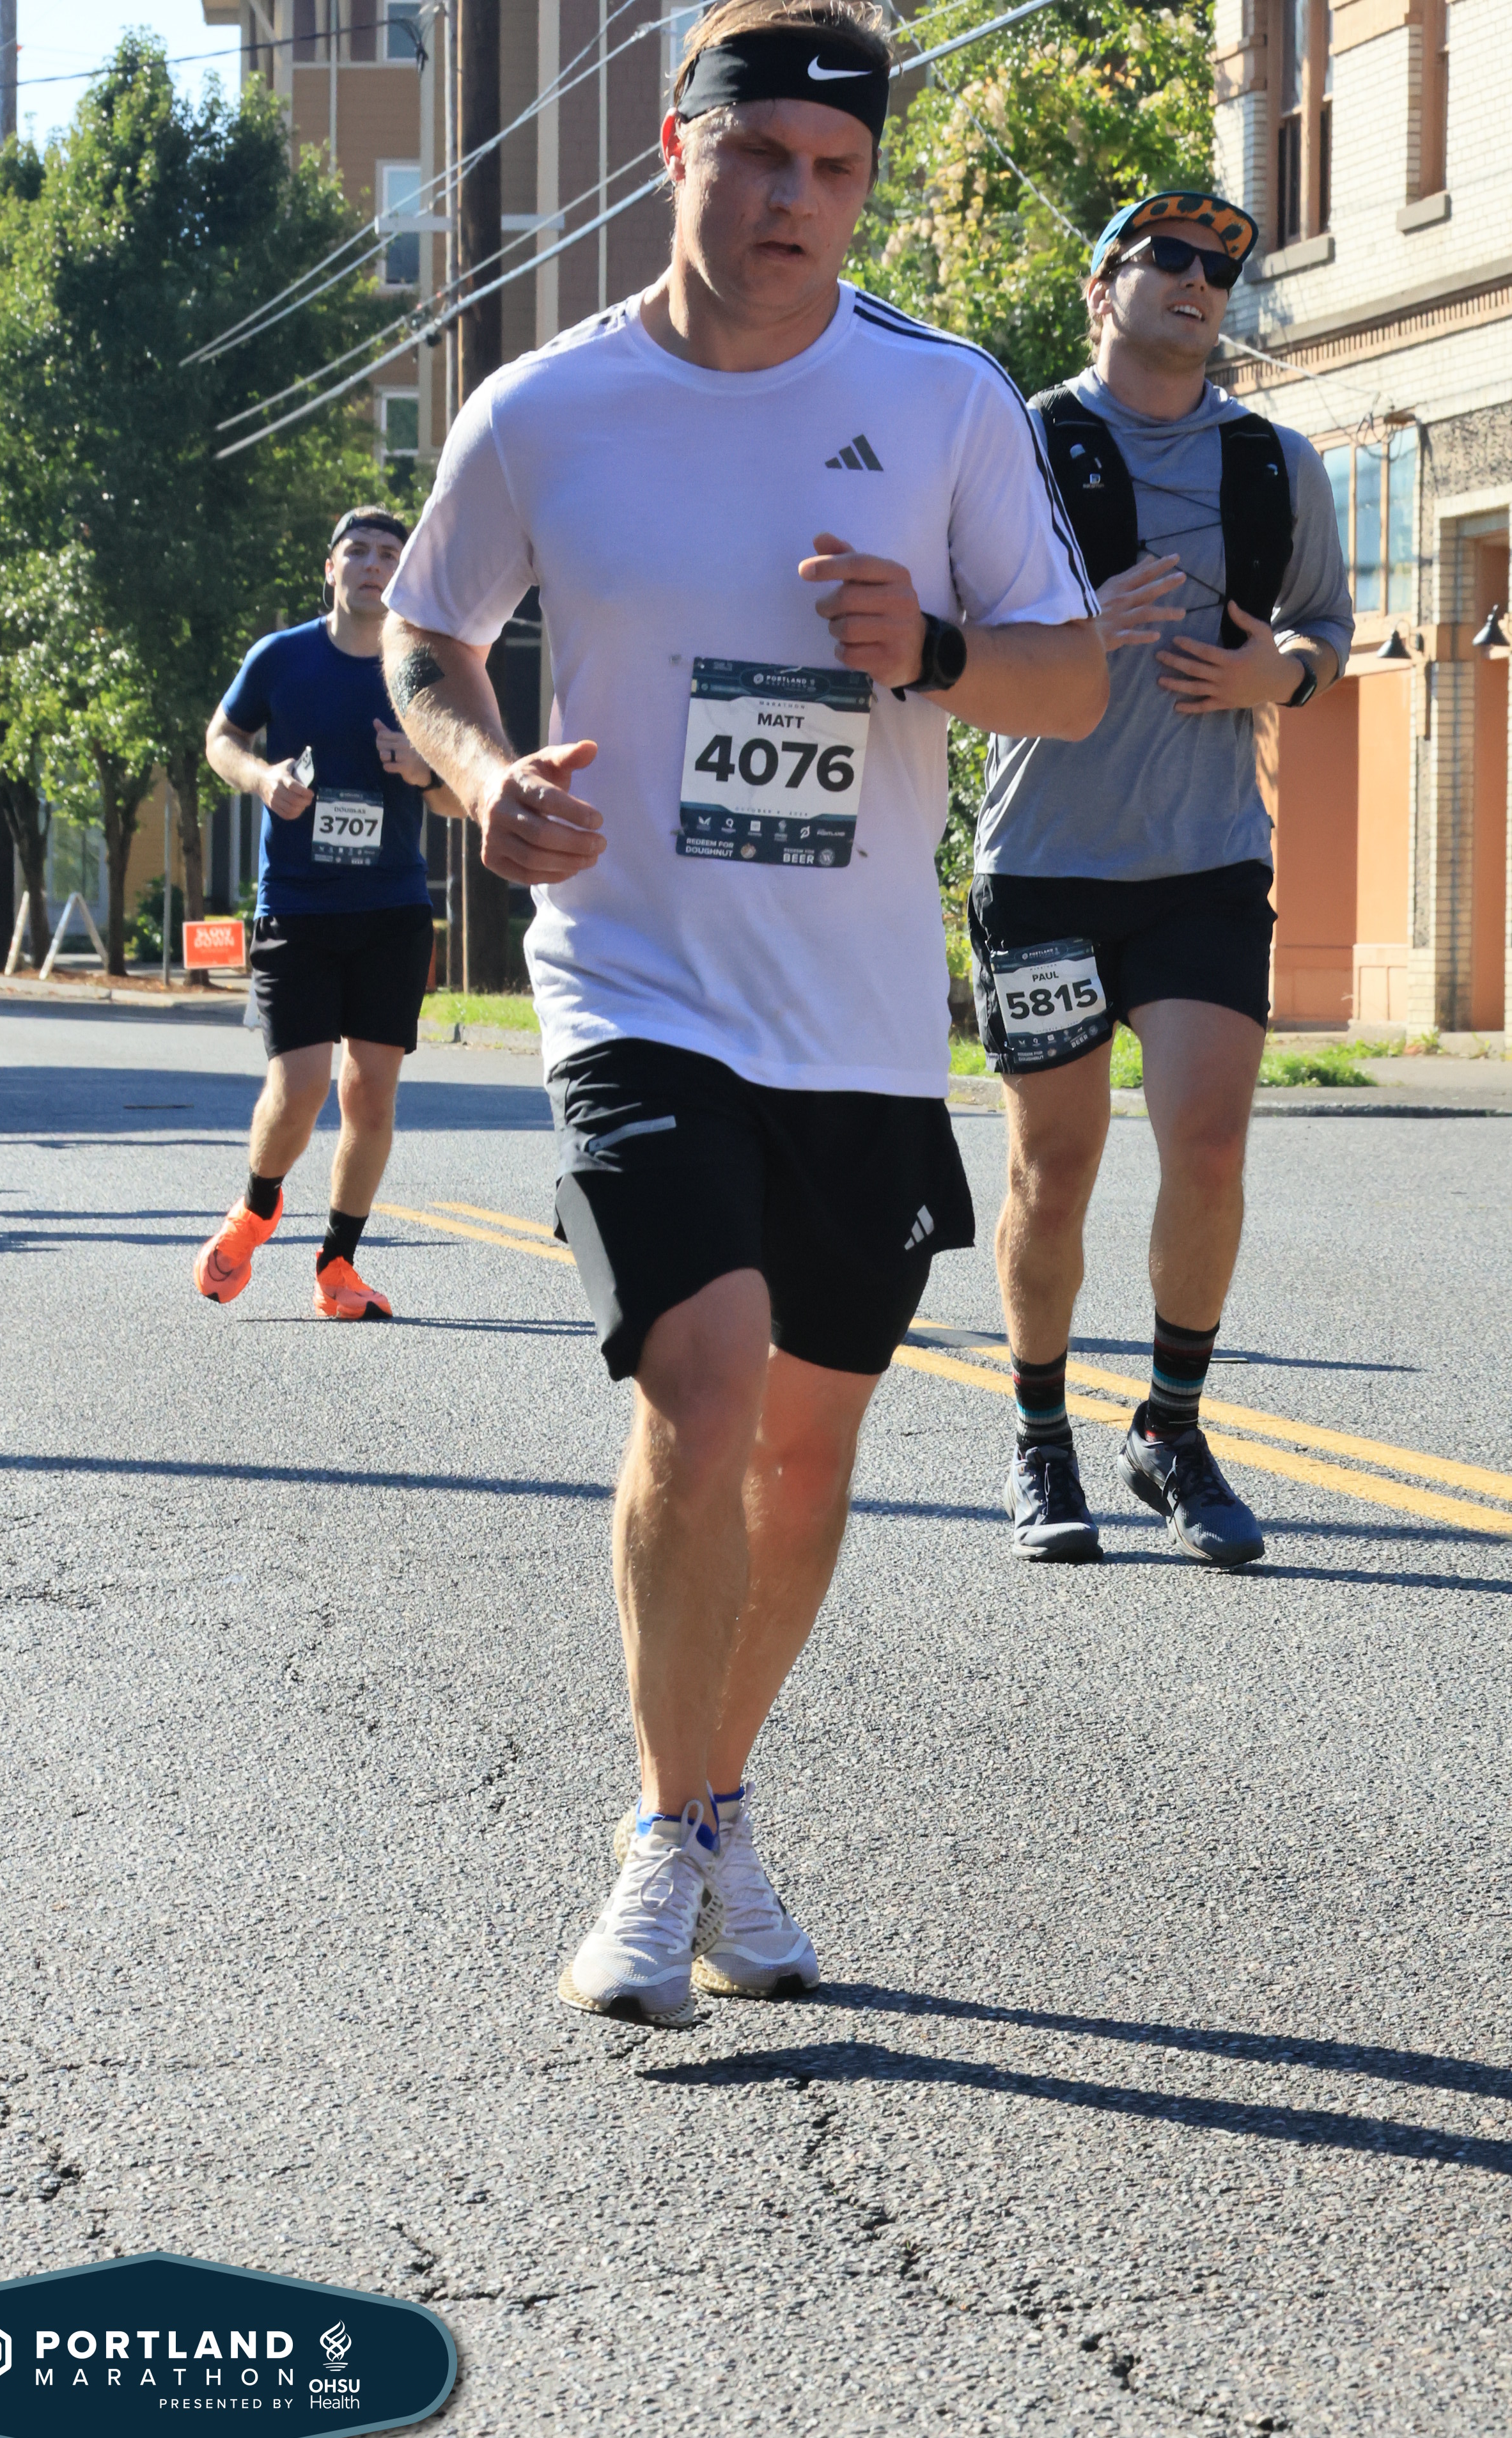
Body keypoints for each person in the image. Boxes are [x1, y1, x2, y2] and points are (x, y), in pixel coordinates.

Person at [383, 0, 1106, 2026]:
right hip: (633, 978)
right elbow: (429, 637)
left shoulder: (944, 400)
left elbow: (1066, 679)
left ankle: (716, 1807)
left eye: (835, 168)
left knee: (805, 1443)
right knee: (699, 1389)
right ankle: (655, 1837)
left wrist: (935, 646)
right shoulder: (543, 408)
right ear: (674, 153)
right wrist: (482, 778)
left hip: (856, 1018)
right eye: (759, 153)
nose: (796, 197)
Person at [971, 192, 1353, 1568]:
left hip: (1205, 859)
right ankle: (1038, 1436)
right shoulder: (1017, 442)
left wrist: (1277, 676)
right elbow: (946, 628)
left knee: (1206, 1144)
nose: (1200, 283)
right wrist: (1069, 626)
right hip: (1043, 865)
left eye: (1220, 270)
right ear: (1103, 287)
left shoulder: (1273, 461)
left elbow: (1324, 626)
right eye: (1169, 259)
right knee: (1054, 1163)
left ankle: (1170, 1430)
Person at [195, 506, 464, 1320]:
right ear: (331, 567)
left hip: (391, 908)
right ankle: (256, 1209)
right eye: (358, 551)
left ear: (403, 574)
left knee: (370, 1096)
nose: (373, 563)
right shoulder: (282, 656)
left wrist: (423, 772)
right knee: (301, 1085)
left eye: (389, 554)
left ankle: (338, 1267)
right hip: (298, 906)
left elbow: (463, 797)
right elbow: (220, 739)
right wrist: (262, 778)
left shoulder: (423, 671)